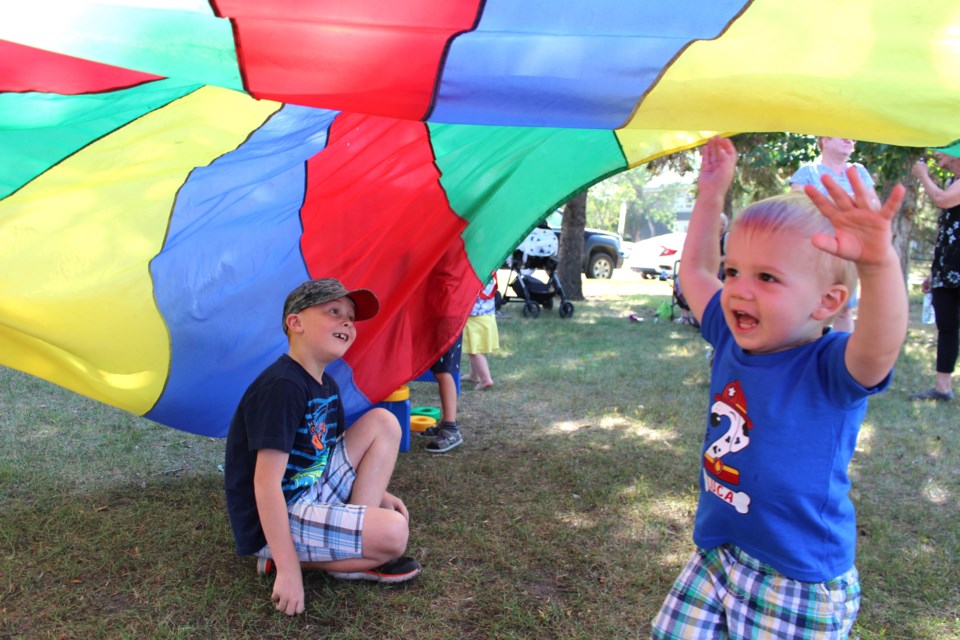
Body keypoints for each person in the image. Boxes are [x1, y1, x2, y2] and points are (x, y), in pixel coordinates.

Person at [652, 137, 907, 639]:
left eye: (767, 276)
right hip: (721, 550)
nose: (739, 288)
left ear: (826, 301)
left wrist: (878, 266)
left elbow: (881, 348)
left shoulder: (831, 366)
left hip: (797, 574)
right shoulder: (728, 335)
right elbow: (697, 273)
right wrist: (710, 197)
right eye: (735, 271)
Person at [224, 278, 420, 617]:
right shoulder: (282, 386)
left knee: (384, 422)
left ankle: (351, 536)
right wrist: (289, 571)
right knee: (393, 533)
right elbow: (265, 483)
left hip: (312, 490)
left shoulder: (325, 383)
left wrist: (379, 493)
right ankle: (289, 559)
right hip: (281, 511)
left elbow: (329, 452)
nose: (347, 322)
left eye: (350, 317)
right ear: (295, 322)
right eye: (333, 312)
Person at [790, 137, 881, 332]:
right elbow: (798, 207)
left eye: (853, 137)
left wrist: (829, 200)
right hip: (815, 249)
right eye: (843, 135)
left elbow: (874, 206)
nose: (850, 139)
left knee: (845, 309)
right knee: (809, 305)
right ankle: (807, 351)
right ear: (825, 140)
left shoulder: (859, 171)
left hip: (850, 250)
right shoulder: (807, 172)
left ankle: (841, 357)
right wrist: (851, 199)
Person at [909, 151, 960, 401]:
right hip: (947, 269)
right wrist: (934, 269)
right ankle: (942, 387)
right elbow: (947, 231)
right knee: (946, 327)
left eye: (944, 149)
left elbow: (941, 199)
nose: (937, 153)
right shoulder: (953, 182)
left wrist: (923, 176)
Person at [419, 335, 464, 453]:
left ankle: (451, 428)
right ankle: (446, 424)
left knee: (442, 371)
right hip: (432, 324)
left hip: (445, 326)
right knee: (439, 371)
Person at [463, 273, 500, 390]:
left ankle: (485, 380)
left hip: (474, 317)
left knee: (474, 351)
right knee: (475, 348)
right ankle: (474, 375)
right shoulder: (488, 268)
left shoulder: (474, 272)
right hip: (487, 314)